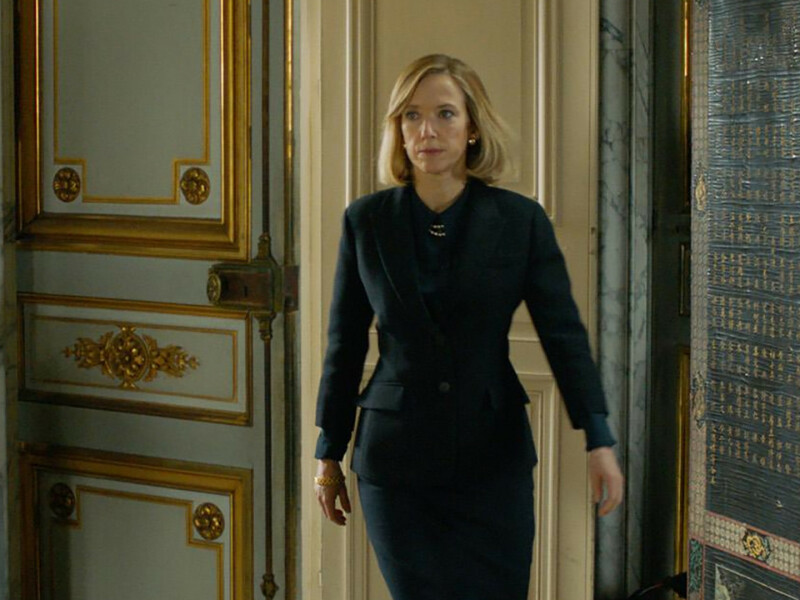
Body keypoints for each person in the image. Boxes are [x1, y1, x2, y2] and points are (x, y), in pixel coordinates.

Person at [313, 54, 624, 600]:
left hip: (492, 461)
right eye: (411, 115)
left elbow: (564, 336)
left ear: (473, 127)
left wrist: (598, 439)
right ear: (398, 129)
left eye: (445, 113)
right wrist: (328, 452)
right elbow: (345, 344)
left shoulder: (520, 221)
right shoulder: (366, 221)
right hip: (396, 466)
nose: (427, 130)